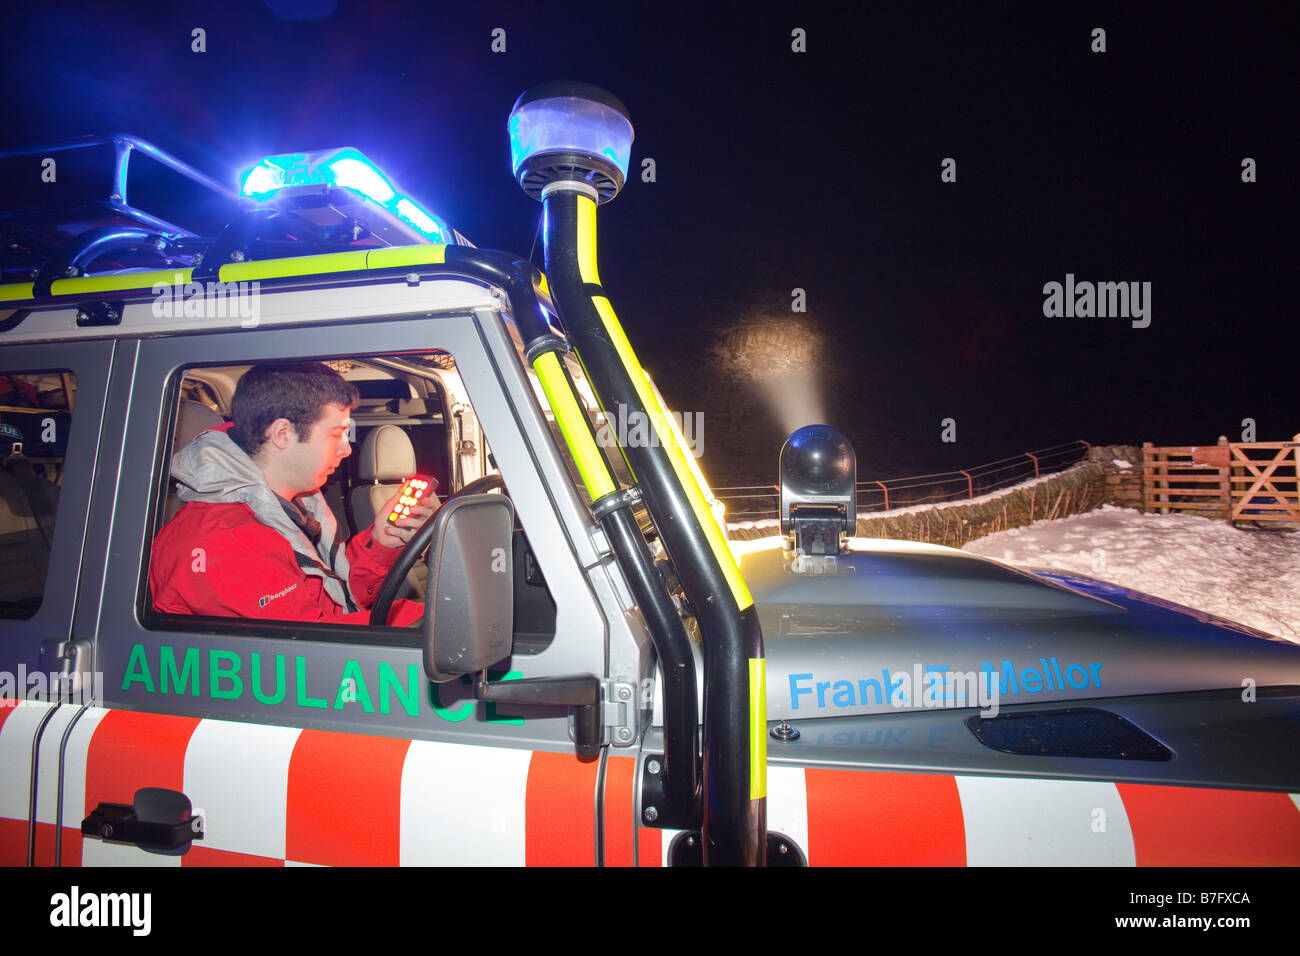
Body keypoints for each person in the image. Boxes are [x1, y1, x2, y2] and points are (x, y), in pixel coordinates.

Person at [150, 363, 434, 625]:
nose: (346, 449)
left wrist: (381, 541)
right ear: (283, 433)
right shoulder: (222, 542)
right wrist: (433, 622)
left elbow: (330, 598)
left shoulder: (289, 504)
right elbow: (310, 644)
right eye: (336, 433)